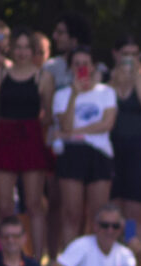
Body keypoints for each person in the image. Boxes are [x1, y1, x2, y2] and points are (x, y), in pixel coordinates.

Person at [0, 28, 56, 257]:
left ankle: (36, 258)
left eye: (27, 47)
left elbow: (50, 116)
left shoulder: (43, 78)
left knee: (34, 204)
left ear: (34, 50)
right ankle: (2, 255)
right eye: (19, 47)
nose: (23, 52)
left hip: (31, 137)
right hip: (4, 138)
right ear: (11, 49)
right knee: (4, 206)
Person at [50, 46, 117, 251]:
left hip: (99, 155)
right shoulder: (62, 95)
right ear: (71, 68)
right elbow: (65, 125)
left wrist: (73, 131)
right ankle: (71, 262)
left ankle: (95, 262)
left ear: (93, 66)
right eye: (76, 64)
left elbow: (106, 124)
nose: (81, 68)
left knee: (98, 215)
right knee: (72, 215)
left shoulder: (106, 92)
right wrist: (74, 96)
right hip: (72, 155)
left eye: (85, 64)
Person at [105, 35, 141, 252]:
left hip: (137, 153)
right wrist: (118, 80)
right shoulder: (107, 83)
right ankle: (115, 260)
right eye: (125, 54)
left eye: (134, 54)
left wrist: (136, 75)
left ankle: (136, 265)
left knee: (134, 215)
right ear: (116, 54)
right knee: (113, 210)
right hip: (112, 154)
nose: (129, 59)